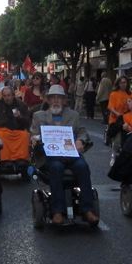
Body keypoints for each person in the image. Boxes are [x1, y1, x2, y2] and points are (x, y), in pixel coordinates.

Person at [30, 85, 98, 225]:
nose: (56, 101)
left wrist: (80, 140)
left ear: (64, 100)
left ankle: (87, 209)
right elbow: (33, 134)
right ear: (48, 100)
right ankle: (57, 211)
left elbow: (82, 132)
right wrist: (36, 139)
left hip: (71, 153)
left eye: (59, 98)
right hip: (51, 155)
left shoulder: (73, 115)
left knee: (82, 166)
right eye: (53, 98)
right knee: (56, 168)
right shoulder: (39, 116)